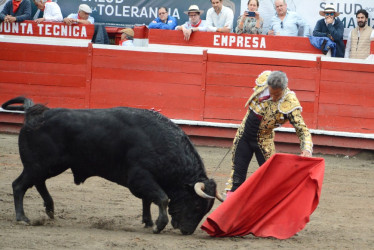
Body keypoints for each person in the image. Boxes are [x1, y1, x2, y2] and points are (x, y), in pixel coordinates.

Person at [225, 71, 313, 195]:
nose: (274, 97)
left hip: (264, 141)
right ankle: (229, 210)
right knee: (236, 178)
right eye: (271, 93)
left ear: (284, 88)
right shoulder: (263, 82)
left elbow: (302, 129)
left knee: (272, 180)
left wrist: (307, 148)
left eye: (277, 94)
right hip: (244, 135)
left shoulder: (290, 102)